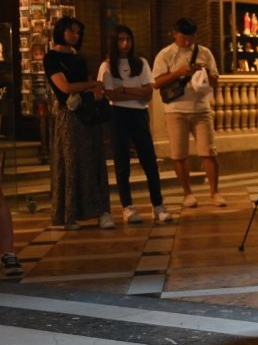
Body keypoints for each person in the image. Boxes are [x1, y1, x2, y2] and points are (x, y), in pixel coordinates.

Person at [45, 17, 114, 230]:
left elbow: (82, 85)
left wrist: (93, 90)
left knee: (94, 161)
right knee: (71, 162)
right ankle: (69, 214)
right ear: (61, 32)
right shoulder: (51, 57)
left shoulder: (79, 57)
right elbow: (64, 88)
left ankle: (101, 211)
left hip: (87, 114)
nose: (75, 36)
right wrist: (93, 83)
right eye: (71, 32)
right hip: (69, 116)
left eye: (77, 32)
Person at [98, 25, 172, 224]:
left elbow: (148, 92)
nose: (125, 44)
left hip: (139, 113)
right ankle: (127, 206)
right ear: (114, 42)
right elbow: (109, 94)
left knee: (149, 160)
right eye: (120, 40)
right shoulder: (107, 66)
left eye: (128, 39)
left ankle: (158, 205)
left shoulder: (141, 63)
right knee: (122, 162)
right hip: (117, 115)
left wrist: (123, 91)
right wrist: (132, 92)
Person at [152, 18, 226, 208]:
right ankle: (187, 193)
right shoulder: (165, 54)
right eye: (184, 37)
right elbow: (157, 83)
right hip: (175, 110)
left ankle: (214, 192)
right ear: (174, 34)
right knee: (179, 154)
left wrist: (204, 72)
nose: (187, 41)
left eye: (191, 37)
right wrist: (179, 73)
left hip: (201, 108)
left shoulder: (204, 52)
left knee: (208, 151)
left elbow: (215, 81)